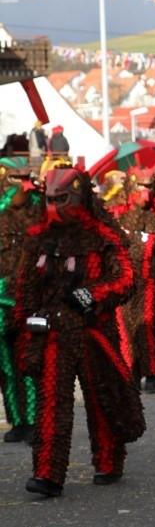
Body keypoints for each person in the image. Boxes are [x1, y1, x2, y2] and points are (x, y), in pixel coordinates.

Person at [14, 165, 145, 497]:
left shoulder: (104, 235)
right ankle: (47, 474)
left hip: (93, 330)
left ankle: (108, 462)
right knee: (51, 404)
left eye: (63, 198)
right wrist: (26, 332)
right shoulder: (38, 240)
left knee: (101, 399)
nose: (56, 205)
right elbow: (26, 289)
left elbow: (125, 278)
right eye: (51, 198)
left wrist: (91, 294)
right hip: (53, 334)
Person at [0, 160, 42, 442]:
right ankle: (17, 420)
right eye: (16, 179)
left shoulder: (41, 208)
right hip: (2, 301)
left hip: (31, 298)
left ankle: (37, 420)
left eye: (26, 178)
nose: (23, 184)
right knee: (6, 366)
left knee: (31, 362)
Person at [120, 166, 155, 392]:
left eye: (149, 186)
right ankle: (130, 372)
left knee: (148, 324)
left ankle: (151, 373)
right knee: (126, 328)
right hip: (122, 284)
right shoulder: (118, 217)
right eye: (141, 186)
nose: (145, 191)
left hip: (148, 283)